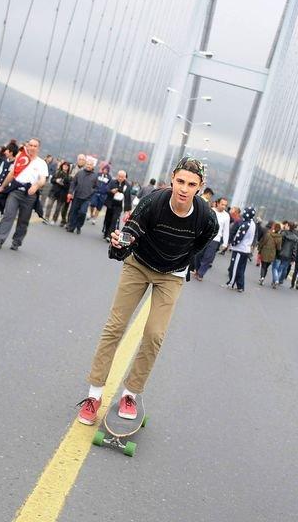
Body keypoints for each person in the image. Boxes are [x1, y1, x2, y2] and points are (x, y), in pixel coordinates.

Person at [75, 157, 218, 425]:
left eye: (191, 184)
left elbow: (200, 245)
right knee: (115, 326)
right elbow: (131, 232)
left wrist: (179, 262)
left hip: (171, 276)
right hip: (139, 265)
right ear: (172, 178)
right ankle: (94, 395)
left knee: (154, 334)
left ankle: (130, 393)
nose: (184, 189)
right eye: (180, 182)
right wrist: (119, 244)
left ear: (200, 187)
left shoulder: (206, 218)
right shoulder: (153, 202)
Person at [0, 138, 48, 250]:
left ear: (38, 148)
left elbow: (42, 180)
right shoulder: (21, 159)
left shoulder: (41, 163)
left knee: (23, 220)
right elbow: (12, 174)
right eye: (30, 145)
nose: (32, 147)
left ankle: (17, 241)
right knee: (8, 215)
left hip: (30, 194)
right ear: (27, 146)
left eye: (35, 146)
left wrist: (36, 186)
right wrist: (2, 187)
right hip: (16, 191)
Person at [192, 197, 229, 281]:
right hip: (205, 236)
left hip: (215, 239)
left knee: (208, 257)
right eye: (222, 204)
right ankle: (197, 270)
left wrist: (225, 243)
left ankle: (201, 274)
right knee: (199, 254)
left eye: (225, 205)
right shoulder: (210, 211)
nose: (223, 206)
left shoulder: (226, 216)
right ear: (217, 203)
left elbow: (226, 230)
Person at [224, 206, 256, 292]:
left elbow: (239, 237)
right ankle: (240, 286)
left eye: (245, 212)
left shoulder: (246, 224)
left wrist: (232, 244)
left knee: (234, 267)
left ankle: (231, 283)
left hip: (240, 249)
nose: (243, 214)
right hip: (246, 249)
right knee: (241, 269)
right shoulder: (252, 223)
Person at [65, 154, 97, 234]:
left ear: (93, 166)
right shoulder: (79, 173)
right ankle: (71, 226)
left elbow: (96, 188)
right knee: (74, 212)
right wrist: (70, 192)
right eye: (88, 164)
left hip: (86, 198)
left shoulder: (95, 176)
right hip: (77, 196)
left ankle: (79, 226)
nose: (89, 166)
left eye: (90, 165)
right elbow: (73, 183)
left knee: (82, 212)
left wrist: (91, 194)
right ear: (85, 165)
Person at [101, 170, 132, 240]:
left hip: (119, 206)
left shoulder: (127, 185)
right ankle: (106, 232)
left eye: (122, 177)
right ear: (117, 176)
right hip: (111, 204)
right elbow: (106, 189)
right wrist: (111, 191)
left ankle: (109, 235)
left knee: (114, 220)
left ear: (125, 177)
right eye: (119, 176)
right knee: (108, 219)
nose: (120, 178)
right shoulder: (112, 182)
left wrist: (128, 209)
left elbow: (128, 197)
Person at [43, 160, 71, 226]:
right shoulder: (57, 172)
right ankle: (46, 218)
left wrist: (63, 184)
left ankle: (54, 220)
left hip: (62, 194)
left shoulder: (69, 176)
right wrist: (56, 180)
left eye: (67, 166)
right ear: (62, 166)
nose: (65, 167)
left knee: (58, 208)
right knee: (49, 205)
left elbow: (68, 186)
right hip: (54, 192)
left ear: (68, 168)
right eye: (64, 165)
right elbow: (52, 180)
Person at [257, 222, 281, 286]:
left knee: (263, 266)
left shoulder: (268, 234)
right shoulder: (279, 237)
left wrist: (259, 249)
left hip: (265, 251)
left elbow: (263, 242)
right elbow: (279, 248)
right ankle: (263, 277)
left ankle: (262, 277)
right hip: (272, 253)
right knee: (266, 266)